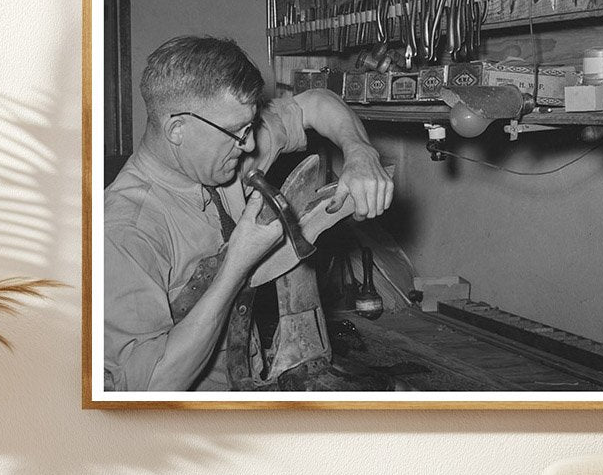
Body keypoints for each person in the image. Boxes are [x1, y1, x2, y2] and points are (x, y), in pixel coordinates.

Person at [103, 35, 393, 392]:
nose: (251, 145)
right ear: (178, 128)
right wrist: (236, 268)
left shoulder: (221, 157)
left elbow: (316, 103)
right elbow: (149, 388)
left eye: (250, 128)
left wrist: (360, 151)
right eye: (237, 133)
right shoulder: (125, 230)